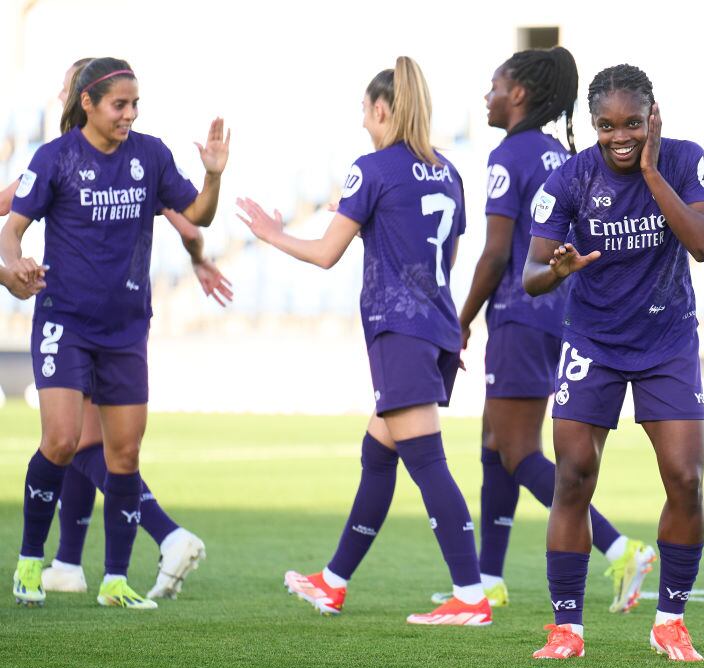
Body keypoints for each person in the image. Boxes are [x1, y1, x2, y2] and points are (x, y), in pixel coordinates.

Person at [237, 56, 491, 626]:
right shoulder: (448, 171)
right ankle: (332, 582)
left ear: (382, 108)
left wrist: (273, 234)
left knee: (427, 463)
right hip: (438, 329)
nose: (362, 123)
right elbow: (441, 256)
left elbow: (327, 254)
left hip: (398, 331)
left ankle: (471, 596)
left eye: (364, 111)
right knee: (378, 453)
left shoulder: (371, 168)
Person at [2, 57, 230, 609]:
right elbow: (11, 232)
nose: (129, 115)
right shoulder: (55, 158)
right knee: (61, 441)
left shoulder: (150, 155)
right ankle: (32, 564)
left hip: (127, 328)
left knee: (122, 455)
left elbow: (196, 215)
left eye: (134, 106)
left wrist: (215, 174)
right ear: (88, 103)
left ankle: (114, 581)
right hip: (65, 321)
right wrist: (12, 269)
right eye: (119, 105)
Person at [435, 47, 654, 612]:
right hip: (558, 315)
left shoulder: (510, 155)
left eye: (494, 84)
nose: (487, 95)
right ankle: (487, 579)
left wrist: (458, 322)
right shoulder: (563, 154)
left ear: (520, 94)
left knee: (517, 449)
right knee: (494, 443)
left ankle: (618, 547)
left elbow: (496, 253)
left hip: (519, 312)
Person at [522, 64, 704, 661]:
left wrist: (654, 173)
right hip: (594, 343)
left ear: (653, 116)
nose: (619, 137)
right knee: (573, 476)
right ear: (593, 126)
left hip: (666, 342)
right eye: (606, 126)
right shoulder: (569, 180)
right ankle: (566, 630)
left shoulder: (684, 160)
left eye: (632, 123)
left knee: (685, 478)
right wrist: (554, 270)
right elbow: (532, 276)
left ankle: (670, 620)